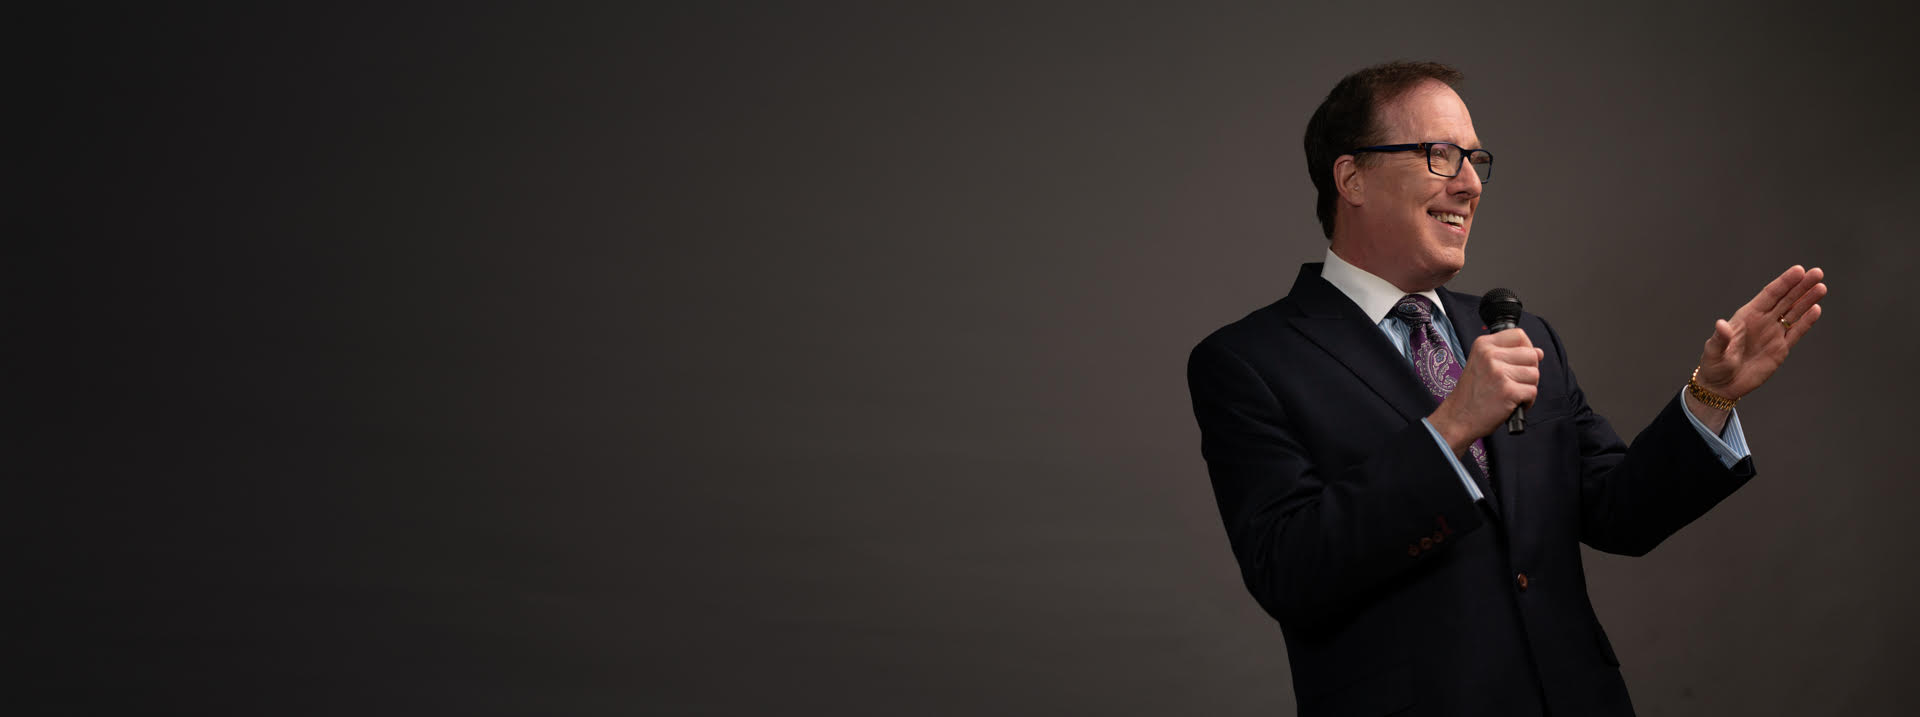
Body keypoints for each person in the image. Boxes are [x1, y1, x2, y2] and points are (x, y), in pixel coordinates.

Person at [1184, 61, 1826, 716]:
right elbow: (1290, 571)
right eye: (1439, 155)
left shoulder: (1523, 333)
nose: (1468, 184)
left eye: (1475, 159)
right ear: (1352, 178)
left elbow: (1620, 513)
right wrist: (1449, 429)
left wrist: (1711, 395)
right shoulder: (1250, 361)